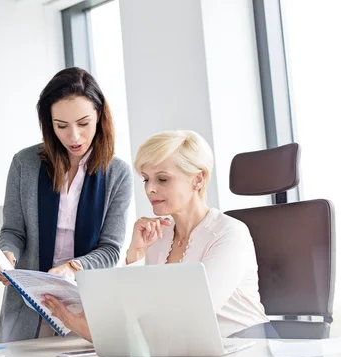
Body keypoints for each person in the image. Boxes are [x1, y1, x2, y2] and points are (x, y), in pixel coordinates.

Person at [42, 130, 271, 341]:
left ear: (198, 179)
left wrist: (101, 332)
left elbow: (192, 316)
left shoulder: (229, 233)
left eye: (162, 179)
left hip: (243, 351)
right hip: (186, 354)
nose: (150, 189)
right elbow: (132, 307)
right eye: (146, 178)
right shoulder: (157, 237)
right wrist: (137, 253)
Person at [0, 67, 133, 343]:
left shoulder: (117, 174)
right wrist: (7, 254)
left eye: (83, 123)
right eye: (61, 126)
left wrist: (72, 268)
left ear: (100, 117)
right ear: (49, 123)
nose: (74, 137)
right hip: (28, 308)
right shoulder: (25, 164)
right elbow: (13, 231)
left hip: (85, 313)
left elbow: (110, 250)